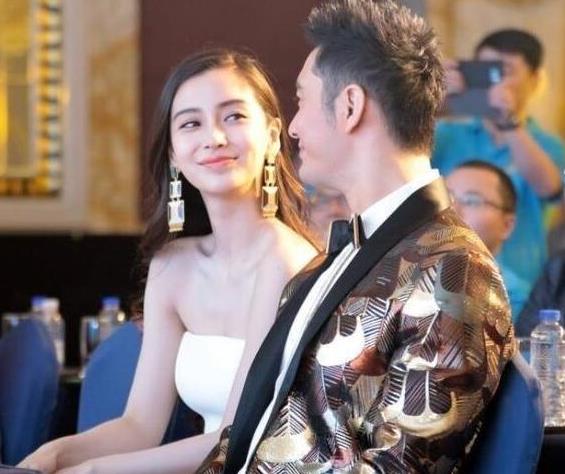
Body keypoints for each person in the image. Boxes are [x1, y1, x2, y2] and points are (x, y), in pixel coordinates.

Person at [196, 1, 514, 472]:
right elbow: (249, 434)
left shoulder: (452, 269)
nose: (293, 127)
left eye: (301, 100)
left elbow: (397, 467)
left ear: (350, 106)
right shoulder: (333, 258)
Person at [18, 49, 317, 473]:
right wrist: (53, 455)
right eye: (191, 124)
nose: (214, 137)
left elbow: (236, 439)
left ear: (272, 135)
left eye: (233, 116)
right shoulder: (172, 266)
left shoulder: (286, 261)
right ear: (174, 153)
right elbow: (139, 426)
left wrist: (92, 471)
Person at [434, 29, 565, 296]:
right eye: (483, 72)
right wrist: (430, 103)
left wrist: (509, 122)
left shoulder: (549, 145)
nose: (493, 83)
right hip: (446, 280)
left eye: (504, 71)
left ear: (535, 79)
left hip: (523, 288)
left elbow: (551, 189)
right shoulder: (445, 134)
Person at [446, 160, 530, 320]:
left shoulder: (518, 299)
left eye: (472, 201)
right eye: (447, 198)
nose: (452, 210)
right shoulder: (412, 280)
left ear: (507, 225)